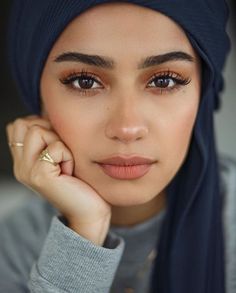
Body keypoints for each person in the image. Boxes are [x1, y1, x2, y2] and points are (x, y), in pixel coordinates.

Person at [1, 0, 235, 292]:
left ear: (203, 90)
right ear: (36, 93)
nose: (127, 128)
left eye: (164, 80)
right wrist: (84, 231)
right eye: (84, 82)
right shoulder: (11, 249)